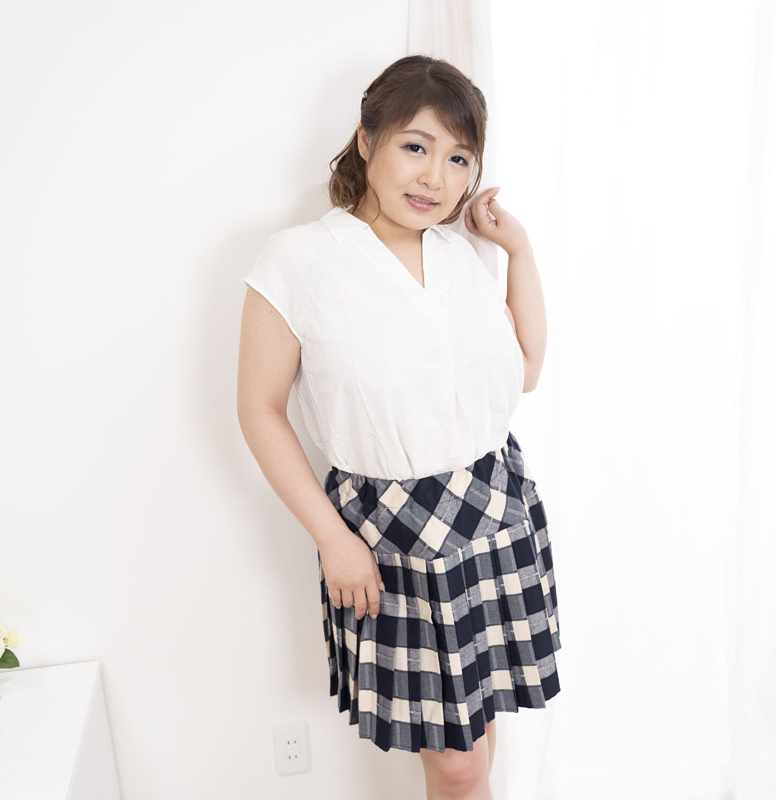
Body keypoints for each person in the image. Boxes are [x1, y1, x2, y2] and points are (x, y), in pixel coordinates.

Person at [237, 55, 560, 800]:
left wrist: (517, 249)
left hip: (494, 511)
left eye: (459, 159)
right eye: (416, 146)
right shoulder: (300, 259)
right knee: (455, 763)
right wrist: (332, 539)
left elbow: (527, 369)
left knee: (480, 737)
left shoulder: (462, 252)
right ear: (366, 139)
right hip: (389, 534)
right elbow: (259, 409)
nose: (435, 178)